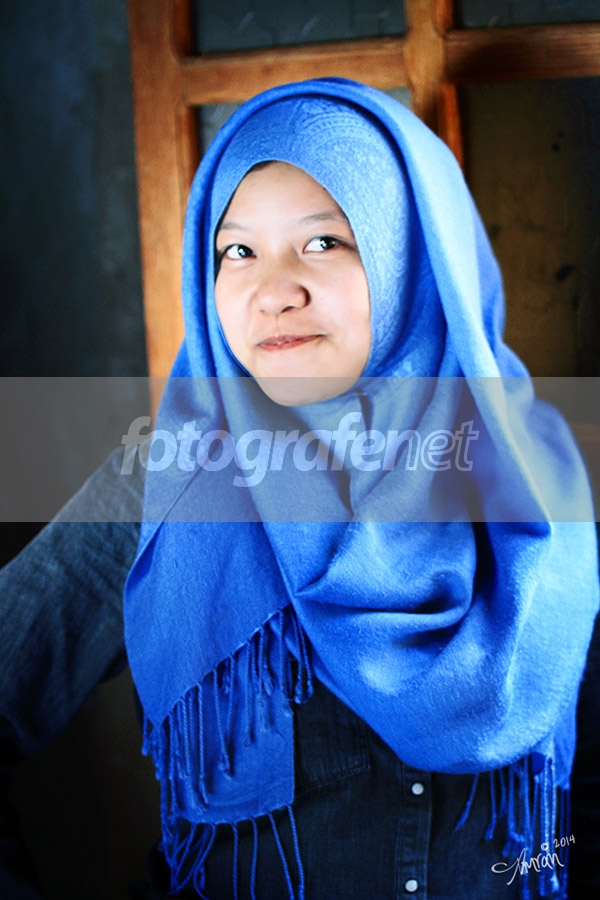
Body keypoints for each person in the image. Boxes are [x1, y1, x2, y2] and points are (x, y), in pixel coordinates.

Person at [1, 79, 598, 900]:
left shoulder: (543, 484)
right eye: (236, 252)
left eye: (323, 242)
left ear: (416, 258)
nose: (272, 290)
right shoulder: (168, 480)